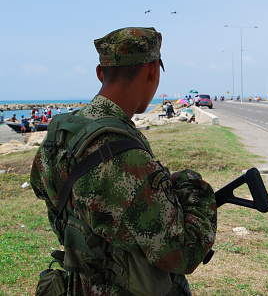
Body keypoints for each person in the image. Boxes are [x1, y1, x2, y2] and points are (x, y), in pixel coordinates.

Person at [30, 27, 217, 295]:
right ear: (153, 70)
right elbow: (183, 252)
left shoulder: (60, 134)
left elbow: (44, 190)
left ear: (99, 73)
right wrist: (190, 184)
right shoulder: (124, 157)